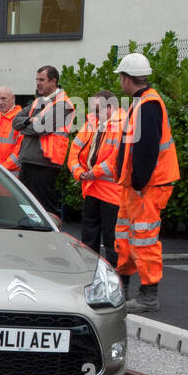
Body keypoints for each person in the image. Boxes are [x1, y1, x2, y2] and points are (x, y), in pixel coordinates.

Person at [113, 53, 179, 313]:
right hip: (138, 186)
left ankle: (148, 296)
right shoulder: (142, 103)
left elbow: (147, 150)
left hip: (148, 186)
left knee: (144, 237)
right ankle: (124, 290)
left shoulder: (148, 105)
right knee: (127, 237)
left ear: (127, 79)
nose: (120, 81)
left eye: (121, 77)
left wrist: (139, 183)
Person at [67, 88, 124, 265]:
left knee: (111, 240)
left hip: (111, 193)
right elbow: (74, 150)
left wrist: (95, 172)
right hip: (92, 189)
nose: (94, 113)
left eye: (98, 110)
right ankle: (90, 275)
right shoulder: (93, 122)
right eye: (92, 110)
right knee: (89, 239)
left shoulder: (123, 124)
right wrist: (78, 172)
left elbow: (118, 158)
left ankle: (116, 280)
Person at [11, 65, 74, 214]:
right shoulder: (39, 101)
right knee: (27, 209)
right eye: (36, 79)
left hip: (45, 164)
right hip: (29, 162)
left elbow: (39, 128)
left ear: (54, 81)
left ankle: (50, 237)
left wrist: (27, 125)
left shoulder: (63, 104)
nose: (38, 83)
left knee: (45, 210)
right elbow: (15, 122)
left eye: (42, 80)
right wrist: (30, 121)